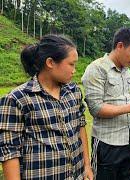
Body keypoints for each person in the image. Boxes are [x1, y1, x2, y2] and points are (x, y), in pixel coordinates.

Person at [0, 34, 93, 179]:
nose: (74, 70)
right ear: (50, 63)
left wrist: (87, 165)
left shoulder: (73, 91)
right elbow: (10, 151)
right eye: (71, 64)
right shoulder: (17, 99)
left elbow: (80, 126)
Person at [81, 27, 130, 180]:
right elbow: (96, 108)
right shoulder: (96, 69)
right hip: (108, 143)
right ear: (120, 46)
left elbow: (123, 100)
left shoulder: (127, 70)